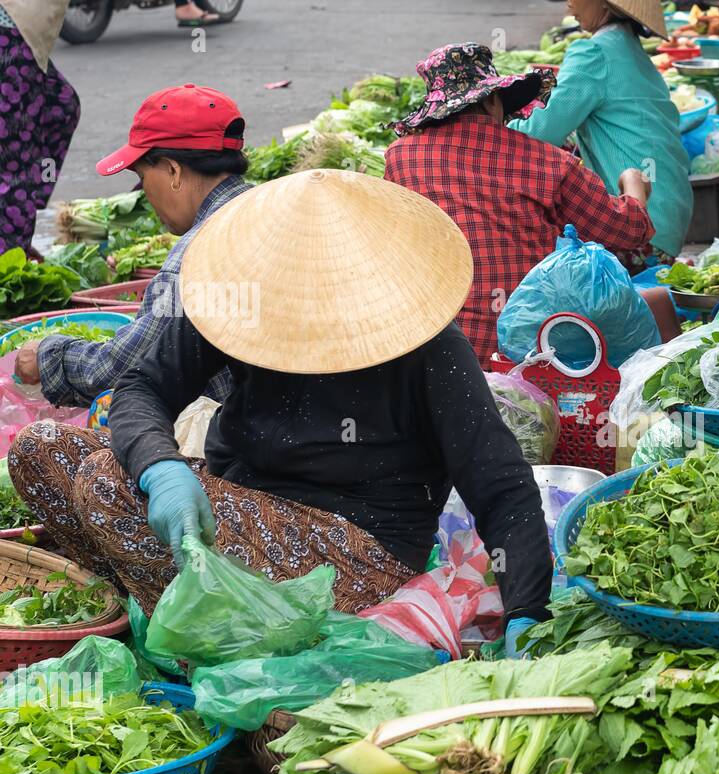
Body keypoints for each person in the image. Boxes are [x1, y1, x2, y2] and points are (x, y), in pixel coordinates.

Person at [8, 169, 552, 651]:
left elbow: (500, 483)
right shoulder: (249, 299)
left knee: (106, 482)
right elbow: (141, 387)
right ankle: (181, 613)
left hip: (358, 555)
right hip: (240, 506)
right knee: (42, 449)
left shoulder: (425, 344)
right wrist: (162, 467)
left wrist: (527, 613)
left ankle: (207, 647)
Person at [384, 43, 656, 366]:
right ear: (492, 101)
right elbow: (627, 230)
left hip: (436, 347)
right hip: (528, 354)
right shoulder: (547, 162)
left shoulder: (400, 159)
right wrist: (634, 187)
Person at [14, 84, 252, 407]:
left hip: (241, 435)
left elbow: (126, 369)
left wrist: (46, 356)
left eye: (142, 177)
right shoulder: (268, 207)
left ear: (173, 170)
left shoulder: (197, 255)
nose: (144, 196)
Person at [508, 0, 693, 260]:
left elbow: (538, 132)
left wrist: (495, 121)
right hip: (670, 218)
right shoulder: (630, 48)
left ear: (605, 6)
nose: (569, 5)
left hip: (645, 231)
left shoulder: (593, 53)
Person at [0, 0, 79, 255]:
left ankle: (13, 228)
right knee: (14, 165)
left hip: (22, 33)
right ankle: (10, 256)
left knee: (63, 108)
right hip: (10, 29)